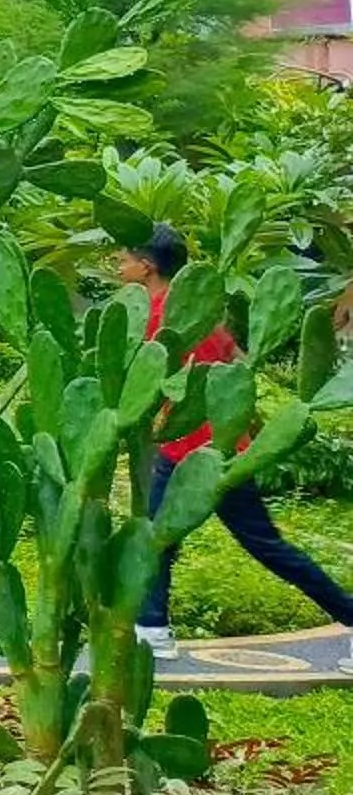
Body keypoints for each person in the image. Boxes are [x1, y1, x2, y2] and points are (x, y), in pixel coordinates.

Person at [126, 225, 353, 658]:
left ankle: (351, 615)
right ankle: (152, 627)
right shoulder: (202, 310)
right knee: (159, 539)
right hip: (215, 446)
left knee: (260, 547)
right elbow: (239, 362)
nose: (118, 266)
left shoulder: (159, 315)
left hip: (202, 454)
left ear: (147, 266)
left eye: (125, 258)